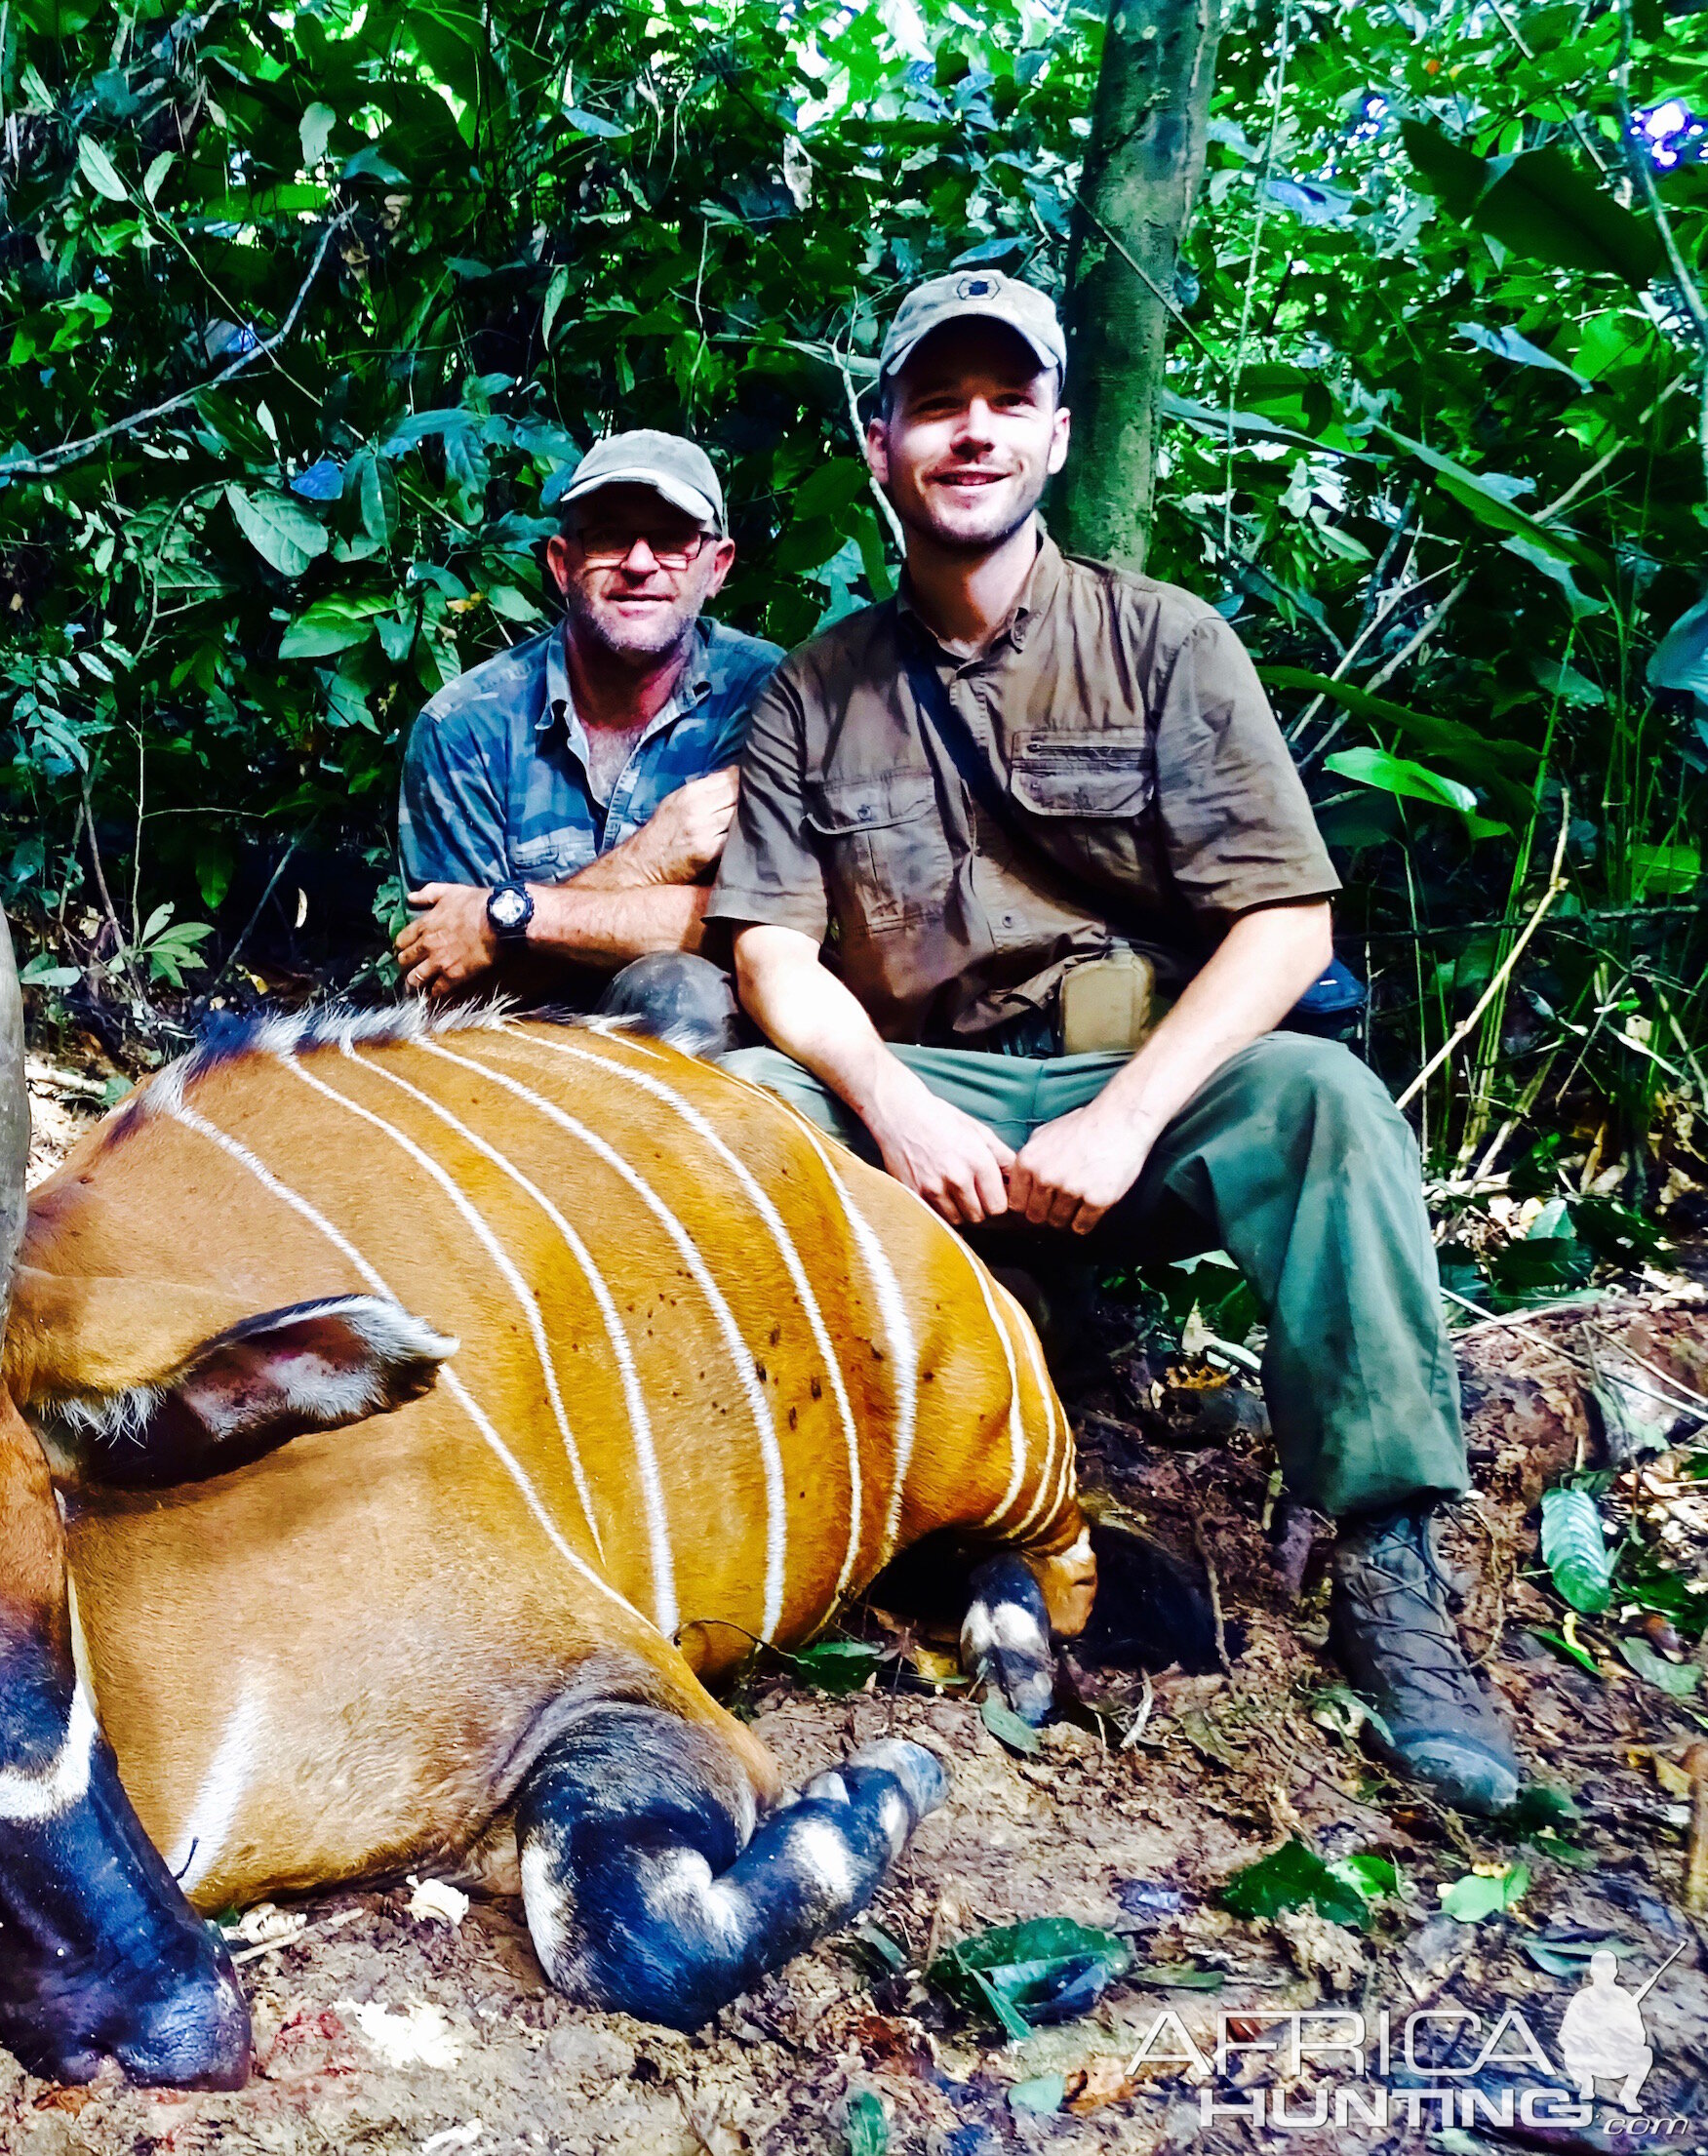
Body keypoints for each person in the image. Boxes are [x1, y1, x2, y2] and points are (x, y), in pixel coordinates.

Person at [707, 269, 1522, 1814]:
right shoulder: (817, 689)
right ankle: (827, 1513)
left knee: (1327, 1104)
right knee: (745, 1103)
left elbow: (1289, 927)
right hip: (925, 1100)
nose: (970, 433)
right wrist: (886, 1101)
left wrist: (1128, 1117)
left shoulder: (1166, 643)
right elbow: (770, 952)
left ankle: (1392, 1584)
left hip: (1124, 1086)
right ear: (881, 444)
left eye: (1004, 403)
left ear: (1057, 434)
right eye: (935, 406)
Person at [391, 430, 780, 1055]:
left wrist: (504, 918)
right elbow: (450, 986)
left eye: (674, 541)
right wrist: (649, 860)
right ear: (561, 562)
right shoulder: (463, 727)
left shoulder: (770, 698)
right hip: (509, 1063)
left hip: (709, 1079)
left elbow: (764, 929)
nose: (639, 562)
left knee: (678, 991)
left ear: (718, 567)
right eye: (607, 535)